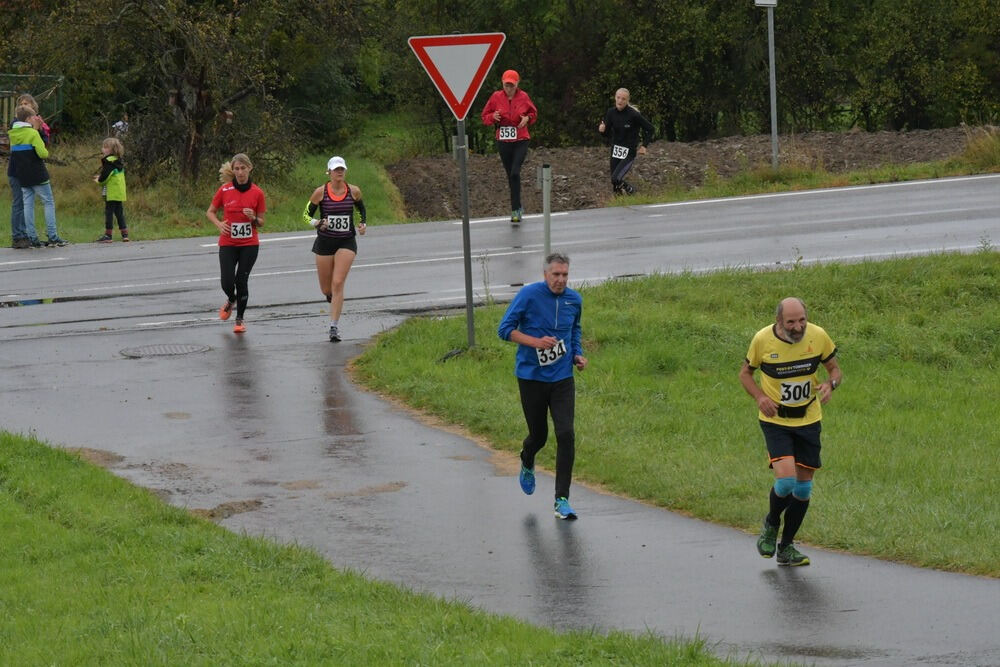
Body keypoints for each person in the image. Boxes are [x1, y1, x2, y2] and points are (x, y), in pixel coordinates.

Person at [739, 297, 843, 566]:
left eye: (801, 321)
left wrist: (831, 384)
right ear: (779, 322)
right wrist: (760, 397)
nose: (797, 327)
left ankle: (786, 547)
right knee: (786, 481)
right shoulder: (762, 340)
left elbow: (834, 369)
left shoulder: (818, 336)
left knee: (803, 489)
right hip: (776, 421)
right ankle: (771, 524)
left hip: (808, 419)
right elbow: (745, 374)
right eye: (791, 322)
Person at [498, 252, 588, 520]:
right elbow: (504, 329)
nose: (560, 280)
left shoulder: (575, 300)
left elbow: (574, 331)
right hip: (531, 377)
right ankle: (527, 458)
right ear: (545, 274)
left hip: (562, 378)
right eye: (555, 275)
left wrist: (577, 354)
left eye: (565, 275)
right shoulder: (529, 295)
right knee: (539, 436)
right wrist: (535, 342)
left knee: (566, 434)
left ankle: (562, 500)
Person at [302, 156, 366, 342]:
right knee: (326, 288)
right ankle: (331, 297)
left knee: (338, 283)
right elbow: (305, 215)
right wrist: (317, 222)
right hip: (325, 242)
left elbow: (362, 210)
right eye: (336, 169)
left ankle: (333, 327)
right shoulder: (319, 192)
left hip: (346, 242)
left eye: (342, 169)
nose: (339, 172)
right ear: (328, 172)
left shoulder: (354, 191)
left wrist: (362, 224)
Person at [206, 153, 266, 334]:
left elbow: (262, 222)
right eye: (237, 169)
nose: (240, 172)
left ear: (250, 168)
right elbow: (210, 212)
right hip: (228, 242)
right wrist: (219, 224)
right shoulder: (224, 190)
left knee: (242, 280)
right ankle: (231, 299)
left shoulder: (257, 192)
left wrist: (253, 217)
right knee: (226, 281)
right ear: (233, 170)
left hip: (249, 244)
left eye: (243, 168)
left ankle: (239, 319)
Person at [481, 69, 537, 225]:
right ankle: (517, 207)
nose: (509, 88)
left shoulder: (524, 97)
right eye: (506, 85)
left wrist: (527, 118)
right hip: (504, 141)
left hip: (521, 139)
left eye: (511, 85)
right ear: (502, 83)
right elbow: (484, 116)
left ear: (517, 84)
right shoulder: (496, 97)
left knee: (514, 173)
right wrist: (493, 117)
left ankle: (515, 210)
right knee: (510, 175)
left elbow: (534, 113)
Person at [8, 104, 66, 247]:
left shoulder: (12, 134)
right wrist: (36, 131)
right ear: (28, 118)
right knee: (48, 202)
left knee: (27, 204)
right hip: (37, 173)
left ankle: (32, 237)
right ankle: (53, 235)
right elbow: (43, 153)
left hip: (23, 174)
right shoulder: (33, 133)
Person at [597, 88, 654, 195]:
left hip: (629, 152)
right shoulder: (611, 112)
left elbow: (651, 129)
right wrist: (602, 130)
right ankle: (619, 206)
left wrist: (644, 146)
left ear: (627, 100)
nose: (620, 101)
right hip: (616, 151)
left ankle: (632, 191)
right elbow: (606, 134)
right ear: (615, 97)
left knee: (616, 179)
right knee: (615, 185)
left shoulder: (633, 115)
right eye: (618, 98)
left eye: (623, 99)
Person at [94, 137, 129, 242]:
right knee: (119, 213)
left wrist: (98, 180)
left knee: (109, 212)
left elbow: (105, 177)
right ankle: (125, 234)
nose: (103, 149)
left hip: (111, 193)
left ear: (111, 150)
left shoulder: (108, 162)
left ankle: (108, 235)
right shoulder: (119, 162)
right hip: (120, 193)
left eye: (105, 147)